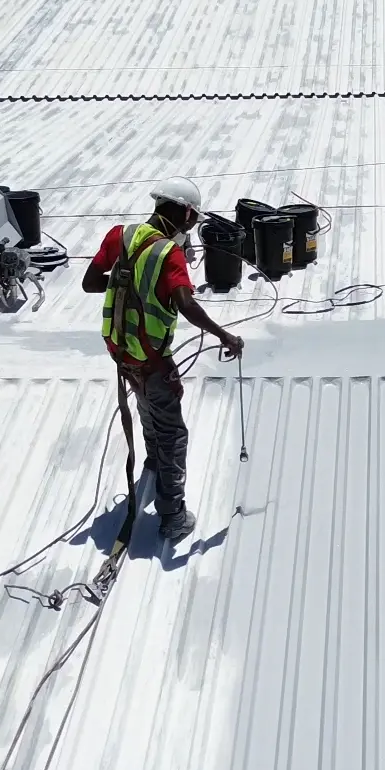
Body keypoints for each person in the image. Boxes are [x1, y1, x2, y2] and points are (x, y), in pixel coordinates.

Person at [82, 177, 243, 543]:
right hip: (153, 358)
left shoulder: (120, 235)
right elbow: (186, 304)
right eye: (191, 220)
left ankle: (153, 459)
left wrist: (127, 280)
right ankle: (172, 516)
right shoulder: (168, 255)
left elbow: (91, 283)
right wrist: (224, 335)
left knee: (144, 404)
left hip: (124, 354)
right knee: (174, 433)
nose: (190, 228)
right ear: (185, 212)